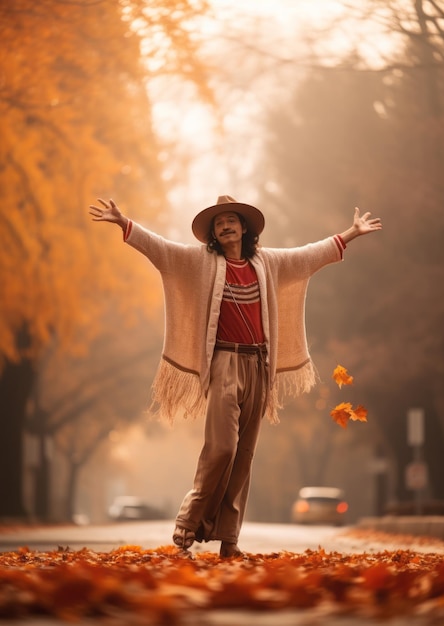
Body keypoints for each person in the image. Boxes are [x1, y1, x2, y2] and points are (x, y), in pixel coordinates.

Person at [89, 195, 381, 558]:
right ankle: (185, 527)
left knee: (244, 456)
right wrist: (123, 222)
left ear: (245, 227)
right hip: (224, 363)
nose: (225, 226)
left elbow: (309, 255)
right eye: (218, 223)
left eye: (231, 220)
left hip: (259, 365)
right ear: (213, 234)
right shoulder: (201, 262)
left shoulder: (268, 263)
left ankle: (230, 541)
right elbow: (161, 250)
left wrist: (350, 233)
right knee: (221, 448)